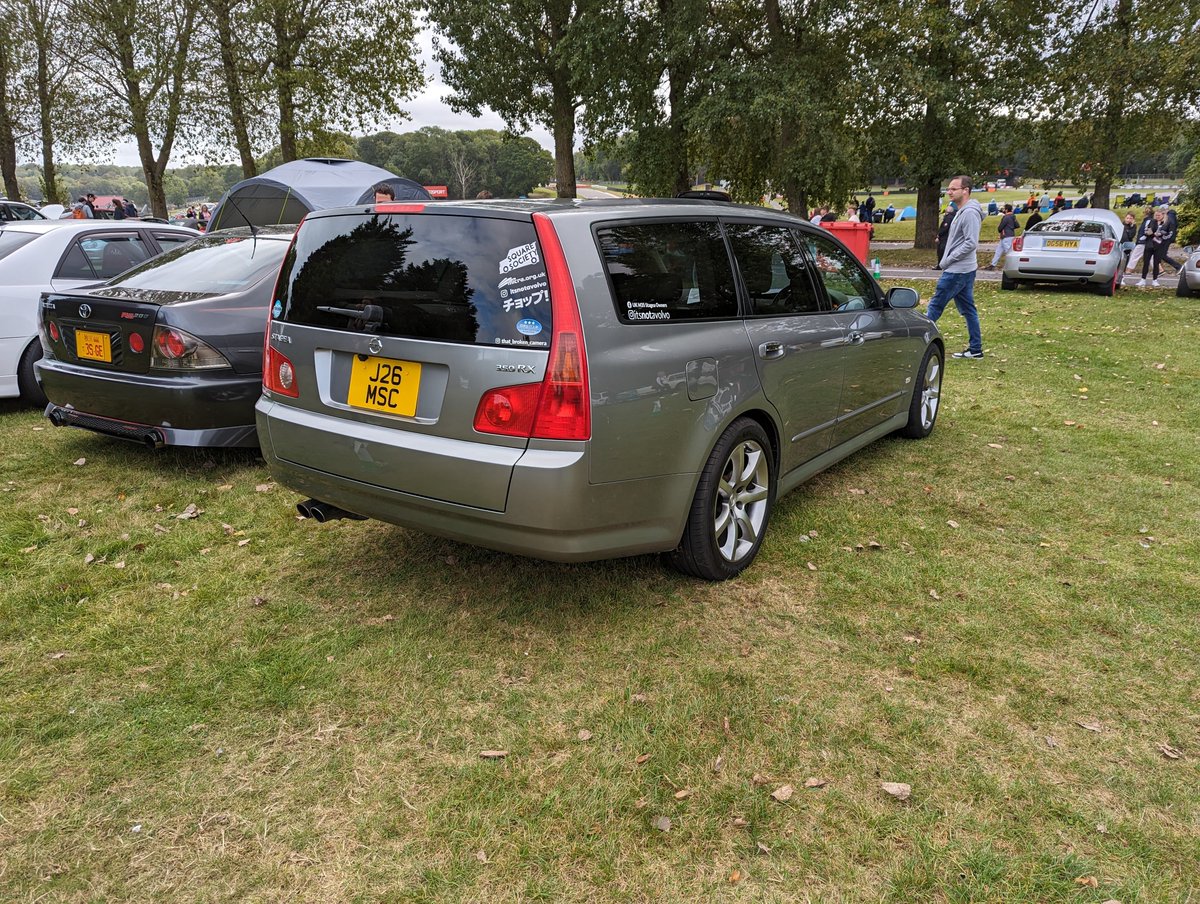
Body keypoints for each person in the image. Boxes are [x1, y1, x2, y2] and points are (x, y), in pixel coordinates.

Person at [925, 175, 984, 359]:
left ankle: (918, 343)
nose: (949, 192)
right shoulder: (962, 210)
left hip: (957, 271)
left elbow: (970, 243)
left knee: (934, 307)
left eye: (953, 189)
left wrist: (947, 260)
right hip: (963, 270)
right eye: (948, 189)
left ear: (965, 190)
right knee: (968, 309)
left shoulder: (969, 213)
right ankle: (976, 350)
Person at [1139, 209, 1172, 287]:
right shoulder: (1152, 221)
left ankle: (1155, 280)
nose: (1157, 217)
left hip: (1159, 245)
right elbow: (1148, 231)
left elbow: (1168, 233)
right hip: (1150, 244)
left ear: (1163, 215)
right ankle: (1143, 279)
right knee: (1146, 262)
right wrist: (1152, 234)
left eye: (1159, 215)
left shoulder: (1166, 223)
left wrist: (1160, 234)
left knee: (1156, 263)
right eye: (1156, 215)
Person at [985, 203, 1018, 270]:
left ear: (1006, 209)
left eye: (1004, 208)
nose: (1003, 210)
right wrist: (1011, 227)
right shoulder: (1013, 216)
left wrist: (1001, 229)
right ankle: (993, 264)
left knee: (1008, 252)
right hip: (1010, 235)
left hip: (1006, 236)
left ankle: (1014, 266)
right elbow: (1017, 225)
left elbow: (1000, 227)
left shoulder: (1006, 217)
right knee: (998, 251)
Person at [1128, 206, 1155, 275]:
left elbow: (1146, 230)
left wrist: (1143, 238)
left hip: (1143, 242)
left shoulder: (1147, 220)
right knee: (1151, 258)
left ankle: (1128, 270)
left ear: (1146, 213)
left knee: (1134, 256)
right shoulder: (1150, 220)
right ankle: (1159, 270)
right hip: (1148, 242)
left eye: (1144, 212)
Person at [935, 201, 957, 268]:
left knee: (941, 251)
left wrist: (939, 235)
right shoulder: (952, 217)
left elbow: (945, 227)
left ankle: (941, 265)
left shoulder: (948, 218)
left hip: (945, 237)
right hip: (947, 237)